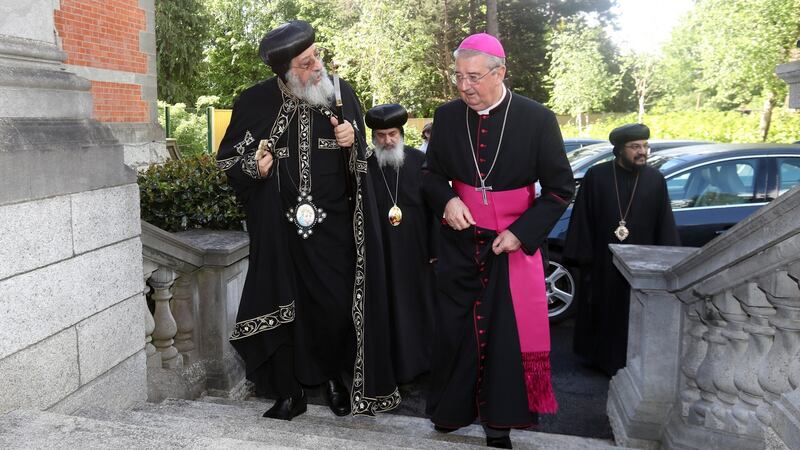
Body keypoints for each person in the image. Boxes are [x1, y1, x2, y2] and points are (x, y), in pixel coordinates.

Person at [215, 20, 400, 420]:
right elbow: (229, 159)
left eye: (316, 55)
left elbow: (363, 160)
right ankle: (289, 392)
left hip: (333, 231)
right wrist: (256, 167)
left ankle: (334, 379)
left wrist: (353, 142)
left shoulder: (340, 93)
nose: (317, 66)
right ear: (286, 72)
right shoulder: (254, 101)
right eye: (306, 62)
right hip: (279, 231)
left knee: (334, 309)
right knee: (283, 310)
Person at [422, 33, 574, 448]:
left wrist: (520, 232)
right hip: (459, 242)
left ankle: (499, 424)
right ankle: (451, 411)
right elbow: (430, 175)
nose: (464, 87)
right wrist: (448, 200)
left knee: (504, 337)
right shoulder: (448, 116)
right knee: (457, 331)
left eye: (473, 77)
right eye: (458, 77)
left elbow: (561, 188)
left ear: (500, 72)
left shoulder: (537, 119)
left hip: (511, 246)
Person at [564, 123, 680, 377]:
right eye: (635, 146)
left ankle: (630, 360)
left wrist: (666, 258)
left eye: (645, 146)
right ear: (619, 149)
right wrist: (583, 256)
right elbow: (583, 217)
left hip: (642, 260)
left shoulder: (655, 179)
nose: (643, 151)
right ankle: (598, 358)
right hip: (603, 260)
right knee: (602, 308)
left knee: (632, 312)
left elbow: (664, 221)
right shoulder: (597, 175)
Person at [365, 103, 436, 385]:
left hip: (416, 251)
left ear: (401, 133)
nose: (387, 141)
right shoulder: (366, 168)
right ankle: (393, 365)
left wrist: (435, 250)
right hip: (381, 252)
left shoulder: (421, 162)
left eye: (392, 134)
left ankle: (424, 364)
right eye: (381, 135)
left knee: (419, 306)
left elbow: (436, 209)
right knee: (389, 308)